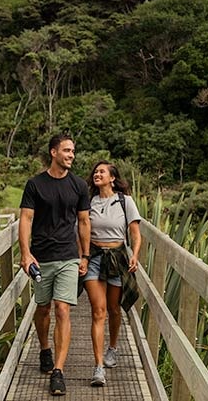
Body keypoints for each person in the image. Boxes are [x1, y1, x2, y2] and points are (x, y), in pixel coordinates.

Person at [18, 133, 91, 396]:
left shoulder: (79, 186)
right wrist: (26, 254)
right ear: (53, 152)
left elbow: (83, 222)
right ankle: (44, 349)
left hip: (68, 255)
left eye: (73, 151)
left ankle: (58, 371)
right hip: (42, 257)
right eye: (67, 151)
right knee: (43, 308)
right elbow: (25, 219)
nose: (71, 155)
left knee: (63, 309)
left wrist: (85, 256)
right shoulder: (35, 184)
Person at [82, 160, 143, 388]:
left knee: (113, 309)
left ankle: (113, 348)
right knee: (98, 312)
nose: (97, 174)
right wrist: (83, 256)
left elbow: (136, 234)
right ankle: (98, 367)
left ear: (112, 178)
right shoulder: (88, 201)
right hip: (95, 258)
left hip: (117, 258)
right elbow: (80, 228)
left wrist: (134, 255)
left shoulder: (124, 201)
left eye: (101, 172)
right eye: (95, 172)